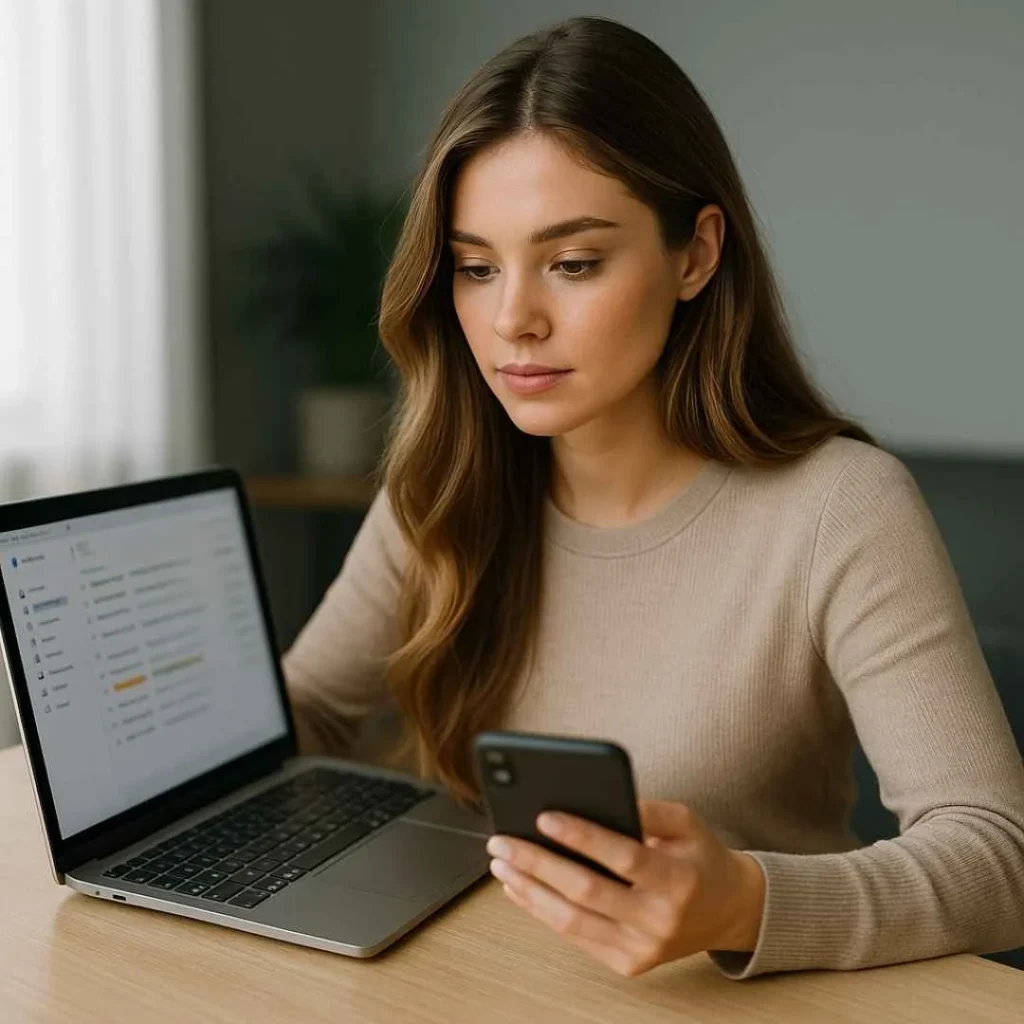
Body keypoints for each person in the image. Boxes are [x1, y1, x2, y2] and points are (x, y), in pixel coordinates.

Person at [281, 15, 1024, 980]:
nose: (512, 319)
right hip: (482, 984)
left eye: (573, 263)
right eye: (476, 268)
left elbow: (997, 853)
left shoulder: (839, 508)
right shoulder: (446, 482)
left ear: (695, 254)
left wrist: (743, 902)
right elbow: (312, 708)